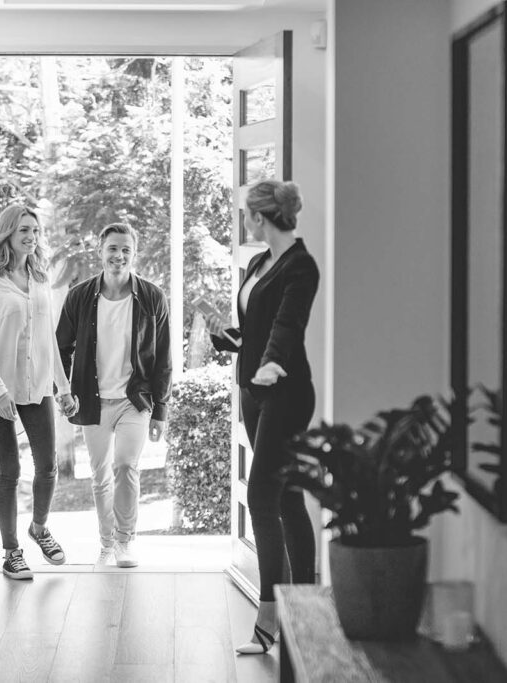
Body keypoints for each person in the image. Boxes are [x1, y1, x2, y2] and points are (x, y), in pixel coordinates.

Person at [203, 180, 319, 655]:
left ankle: (268, 620)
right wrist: (227, 336)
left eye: (245, 214)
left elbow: (288, 324)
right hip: (254, 393)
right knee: (287, 497)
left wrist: (272, 361)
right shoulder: (258, 263)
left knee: (261, 496)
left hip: (287, 395)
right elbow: (254, 329)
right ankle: (305, 611)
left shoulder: (300, 265)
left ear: (260, 217)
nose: (243, 221)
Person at [0, 204, 79, 580]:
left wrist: (63, 388)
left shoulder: (39, 277)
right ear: (7, 234)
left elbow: (48, 338)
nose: (32, 237)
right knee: (10, 469)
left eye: (35, 230)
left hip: (36, 385)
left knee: (47, 466)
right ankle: (11, 552)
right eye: (24, 231)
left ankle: (40, 528)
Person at [56, 223, 172, 569]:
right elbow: (60, 348)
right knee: (100, 475)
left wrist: (161, 411)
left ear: (133, 254)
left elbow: (163, 359)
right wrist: (63, 391)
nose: (119, 256)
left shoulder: (152, 297)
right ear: (100, 251)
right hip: (91, 400)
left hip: (134, 400)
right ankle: (106, 544)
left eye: (125, 249)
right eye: (112, 248)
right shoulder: (79, 296)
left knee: (125, 465)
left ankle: (124, 541)